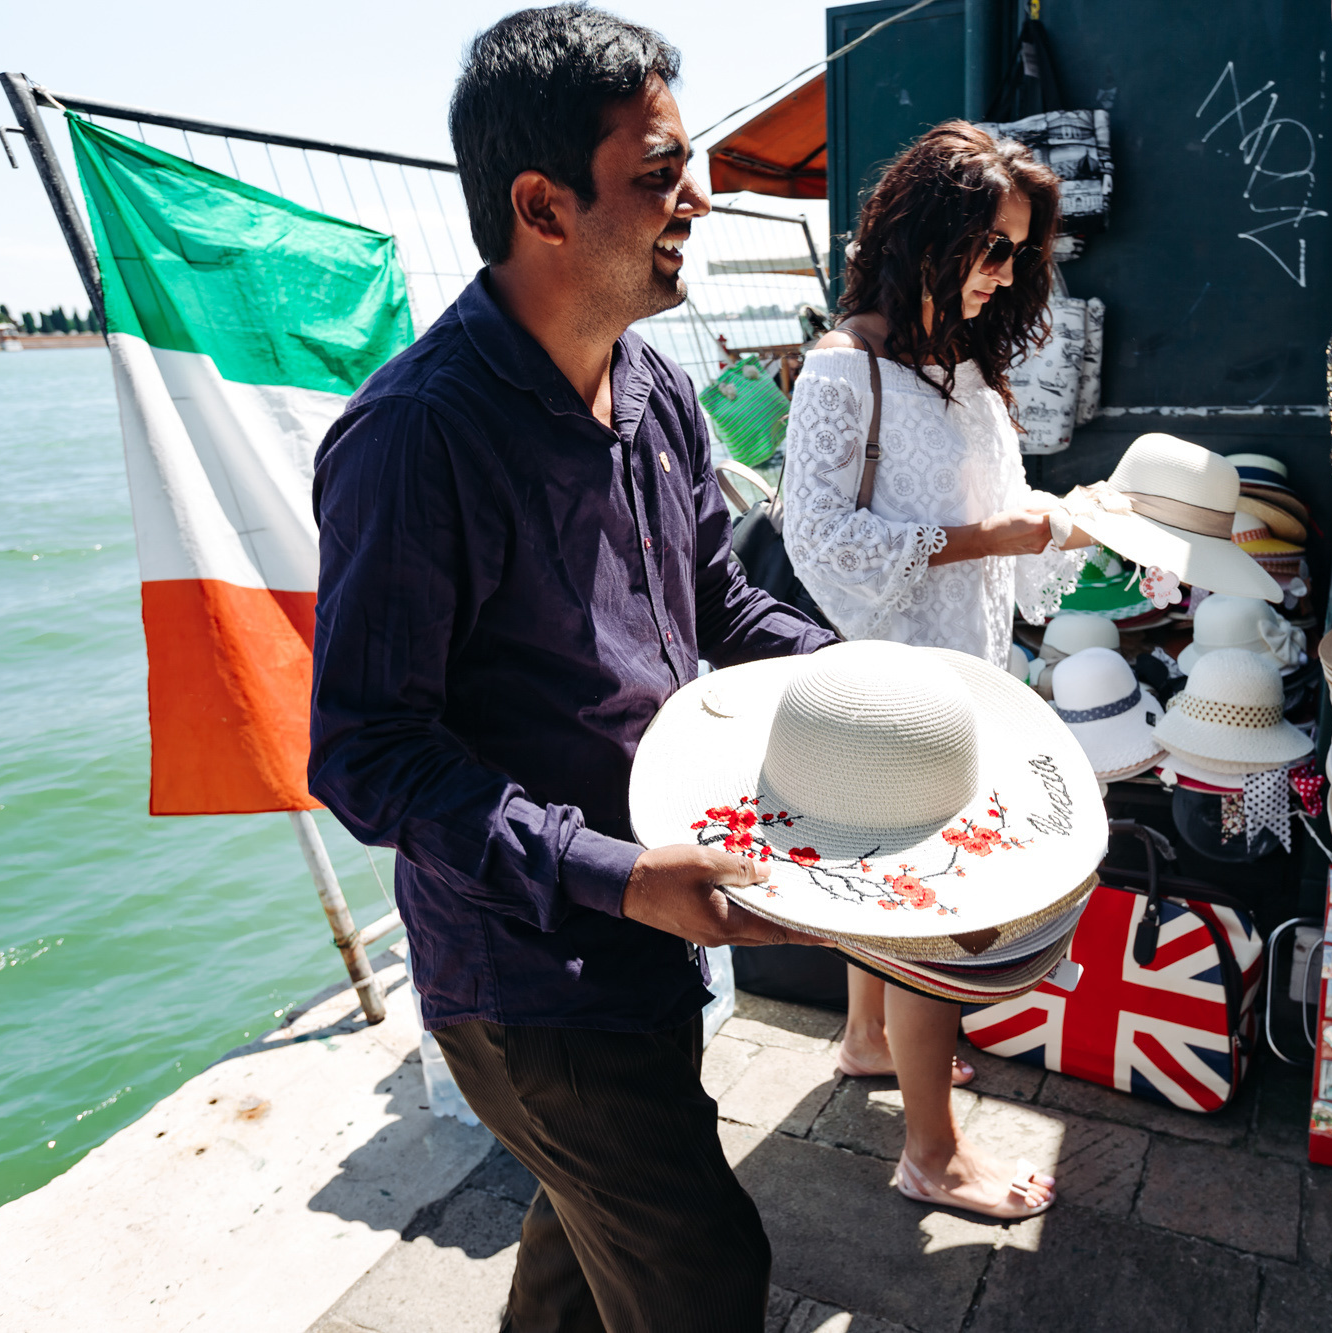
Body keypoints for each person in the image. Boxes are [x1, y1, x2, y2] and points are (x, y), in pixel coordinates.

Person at [307, 8, 834, 1331]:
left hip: (654, 924)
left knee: (591, 1242)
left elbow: (715, 600)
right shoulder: (415, 441)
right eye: (659, 172)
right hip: (529, 978)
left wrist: (855, 682)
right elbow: (365, 753)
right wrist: (620, 876)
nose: (698, 198)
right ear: (541, 204)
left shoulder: (656, 390)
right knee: (701, 1268)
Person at [783, 121, 1092, 1220]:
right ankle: (929, 1153)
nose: (1004, 273)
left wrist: (1051, 529)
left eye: (1017, 253)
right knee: (933, 908)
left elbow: (988, 515)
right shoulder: (844, 370)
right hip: (897, 693)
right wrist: (994, 542)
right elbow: (818, 543)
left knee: (890, 890)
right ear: (924, 236)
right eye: (989, 248)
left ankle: (866, 1040)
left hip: (967, 667)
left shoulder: (962, 369)